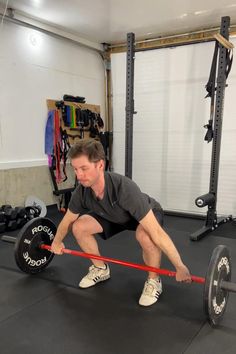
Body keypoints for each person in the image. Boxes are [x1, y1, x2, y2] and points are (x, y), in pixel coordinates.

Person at [51, 139, 192, 306]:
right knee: (79, 226)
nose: (79, 175)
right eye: (75, 169)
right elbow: (67, 220)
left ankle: (154, 281)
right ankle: (100, 269)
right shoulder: (82, 192)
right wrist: (56, 242)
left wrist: (180, 266)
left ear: (100, 165)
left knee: (146, 236)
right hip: (114, 216)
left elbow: (157, 233)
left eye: (84, 168)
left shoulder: (124, 189)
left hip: (143, 213)